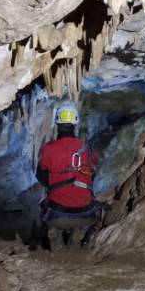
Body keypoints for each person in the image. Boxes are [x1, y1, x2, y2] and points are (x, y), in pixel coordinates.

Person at [37, 100, 100, 249]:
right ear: (75, 123)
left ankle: (54, 231)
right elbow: (94, 172)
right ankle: (78, 231)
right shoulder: (87, 148)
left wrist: (54, 183)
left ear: (56, 123)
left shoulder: (47, 149)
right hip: (86, 212)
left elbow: (41, 177)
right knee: (91, 204)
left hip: (56, 213)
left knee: (43, 204)